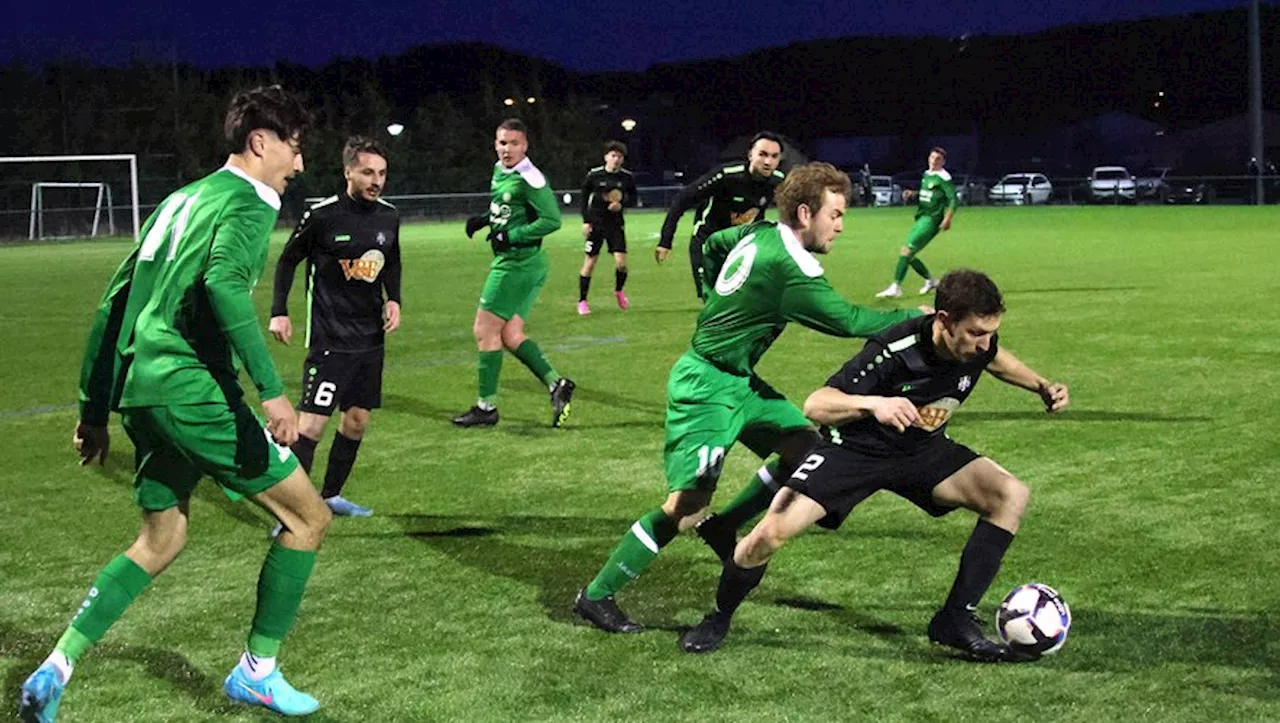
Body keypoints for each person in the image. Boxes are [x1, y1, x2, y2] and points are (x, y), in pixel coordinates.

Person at [19, 86, 329, 721]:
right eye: (294, 151)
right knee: (308, 519)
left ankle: (58, 662)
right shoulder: (248, 202)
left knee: (162, 537)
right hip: (192, 390)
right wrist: (273, 393)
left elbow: (113, 306)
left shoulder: (179, 201)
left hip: (142, 391)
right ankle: (257, 672)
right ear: (260, 142)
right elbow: (223, 286)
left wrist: (93, 411)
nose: (298, 167)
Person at [574, 162, 924, 634]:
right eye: (835, 215)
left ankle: (725, 525)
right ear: (805, 213)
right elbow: (850, 321)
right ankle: (596, 596)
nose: (841, 226)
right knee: (684, 506)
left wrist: (718, 291)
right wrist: (920, 318)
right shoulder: (789, 268)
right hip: (705, 387)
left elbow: (715, 243)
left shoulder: (760, 232)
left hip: (740, 381)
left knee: (808, 450)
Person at [679, 269, 1071, 662]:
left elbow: (998, 361)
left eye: (990, 332)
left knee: (1010, 495)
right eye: (975, 333)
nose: (984, 343)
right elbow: (816, 404)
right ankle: (719, 616)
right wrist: (874, 404)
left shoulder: (978, 345)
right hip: (854, 452)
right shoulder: (895, 349)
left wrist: (1040, 385)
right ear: (944, 321)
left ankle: (954, 619)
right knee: (768, 535)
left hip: (921, 451)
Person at [269, 136, 401, 519]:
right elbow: (287, 261)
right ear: (348, 172)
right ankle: (291, 512)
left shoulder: (389, 216)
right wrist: (280, 310)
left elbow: (392, 261)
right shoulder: (322, 215)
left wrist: (394, 299)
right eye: (367, 173)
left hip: (370, 339)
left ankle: (329, 495)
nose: (376, 180)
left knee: (357, 421)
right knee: (309, 427)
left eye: (381, 173)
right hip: (331, 339)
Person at [455, 118, 575, 428]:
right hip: (525, 263)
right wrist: (484, 220)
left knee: (484, 330)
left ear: (525, 146)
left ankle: (486, 407)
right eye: (502, 142)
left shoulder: (530, 178)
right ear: (495, 143)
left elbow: (552, 220)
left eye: (514, 143)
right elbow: (506, 208)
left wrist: (510, 236)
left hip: (517, 263)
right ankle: (556, 384)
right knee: (510, 334)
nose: (507, 149)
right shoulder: (500, 170)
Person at [656, 131, 786, 300]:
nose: (768, 161)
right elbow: (682, 199)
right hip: (708, 242)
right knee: (713, 300)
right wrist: (666, 241)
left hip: (742, 246)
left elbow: (793, 210)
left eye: (774, 156)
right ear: (750, 154)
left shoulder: (779, 181)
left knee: (749, 299)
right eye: (762, 154)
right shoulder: (726, 176)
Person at [876, 147, 957, 298]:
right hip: (921, 217)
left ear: (943, 162)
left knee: (906, 250)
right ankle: (931, 280)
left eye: (938, 159)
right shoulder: (927, 174)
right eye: (932, 158)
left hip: (931, 220)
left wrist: (947, 219)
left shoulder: (944, 178)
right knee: (909, 254)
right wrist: (914, 193)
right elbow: (930, 193)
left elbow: (953, 199)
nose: (933, 161)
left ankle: (896, 287)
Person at [577, 141, 638, 315]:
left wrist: (622, 204)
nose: (616, 159)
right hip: (596, 224)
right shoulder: (594, 175)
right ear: (606, 157)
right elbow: (583, 198)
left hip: (616, 225)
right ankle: (582, 301)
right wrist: (586, 221)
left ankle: (619, 291)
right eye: (613, 156)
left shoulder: (627, 177)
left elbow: (633, 199)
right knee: (589, 264)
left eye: (619, 157)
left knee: (621, 264)